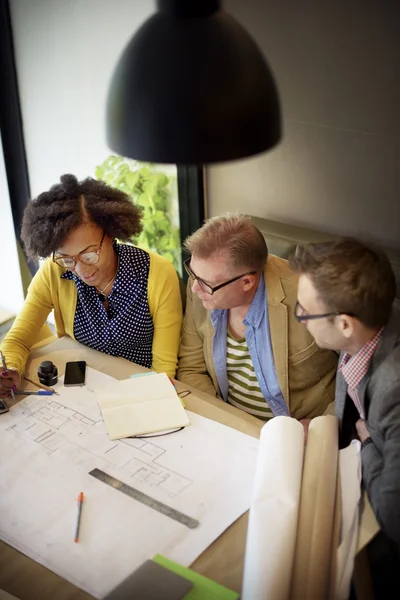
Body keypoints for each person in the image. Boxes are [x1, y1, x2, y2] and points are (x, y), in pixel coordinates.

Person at [0, 174, 182, 399]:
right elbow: (18, 339)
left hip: (143, 386)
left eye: (89, 254)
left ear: (112, 233)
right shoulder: (54, 272)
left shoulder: (156, 273)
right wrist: (10, 370)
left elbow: (164, 367)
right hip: (86, 389)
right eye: (67, 258)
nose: (81, 269)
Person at [289, 238, 400, 596]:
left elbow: (394, 515)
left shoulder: (394, 390)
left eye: (304, 311)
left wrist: (367, 442)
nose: (300, 319)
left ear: (345, 324)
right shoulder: (369, 324)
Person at [177, 214, 338, 430]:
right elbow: (191, 367)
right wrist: (226, 424)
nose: (195, 288)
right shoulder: (201, 285)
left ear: (246, 282)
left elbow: (360, 376)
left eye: (205, 283)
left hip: (297, 434)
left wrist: (324, 424)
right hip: (230, 427)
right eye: (193, 274)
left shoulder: (310, 296)